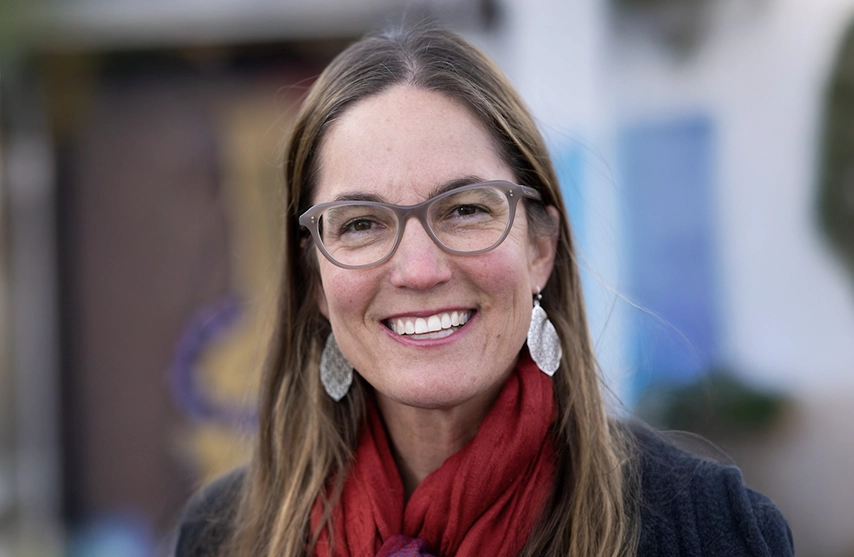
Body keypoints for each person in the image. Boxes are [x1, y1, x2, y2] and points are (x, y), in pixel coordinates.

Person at [174, 24, 794, 557]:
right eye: (361, 223)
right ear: (314, 277)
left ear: (541, 248)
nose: (418, 270)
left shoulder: (708, 529)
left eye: (465, 210)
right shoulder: (226, 534)